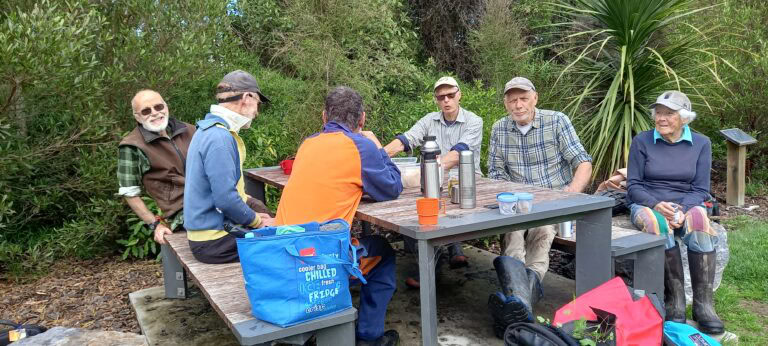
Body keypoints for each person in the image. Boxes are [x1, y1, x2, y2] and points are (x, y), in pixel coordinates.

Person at [275, 86, 402, 346]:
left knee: (362, 245)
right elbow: (392, 187)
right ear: (362, 119)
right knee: (384, 253)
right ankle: (369, 337)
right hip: (318, 262)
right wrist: (378, 146)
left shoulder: (307, 144)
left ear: (324, 117)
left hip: (281, 253)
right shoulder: (361, 146)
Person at [486, 77, 592, 336]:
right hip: (515, 201)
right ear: (505, 103)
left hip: (552, 201)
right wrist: (505, 196)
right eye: (512, 100)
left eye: (523, 98)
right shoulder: (500, 128)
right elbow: (495, 172)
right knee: (511, 232)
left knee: (542, 231)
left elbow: (583, 162)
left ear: (535, 98)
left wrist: (571, 194)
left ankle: (517, 301)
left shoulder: (557, 121)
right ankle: (522, 302)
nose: (518, 105)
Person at [627, 91, 722, 334]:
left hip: (686, 202)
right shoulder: (642, 141)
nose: (661, 118)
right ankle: (675, 301)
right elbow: (634, 185)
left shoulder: (701, 143)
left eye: (669, 113)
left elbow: (701, 188)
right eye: (659, 113)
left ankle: (704, 306)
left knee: (700, 223)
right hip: (648, 202)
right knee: (658, 224)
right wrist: (657, 204)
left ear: (684, 118)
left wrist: (683, 210)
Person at [383, 76, 483, 287]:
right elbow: (407, 139)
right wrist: (379, 155)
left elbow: (459, 153)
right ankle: (444, 255)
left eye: (450, 95)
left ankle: (432, 269)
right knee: (414, 206)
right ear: (436, 100)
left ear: (459, 95)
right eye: (441, 97)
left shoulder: (474, 121)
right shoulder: (429, 120)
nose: (446, 100)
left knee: (435, 203)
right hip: (434, 181)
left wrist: (432, 169)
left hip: (464, 181)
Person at [183, 70, 274, 264]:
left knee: (269, 217)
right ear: (247, 98)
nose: (257, 111)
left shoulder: (208, 129)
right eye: (257, 102)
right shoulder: (220, 138)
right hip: (214, 242)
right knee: (283, 242)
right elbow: (225, 199)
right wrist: (258, 222)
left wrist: (254, 210)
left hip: (208, 235)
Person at [118, 90, 195, 245]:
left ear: (166, 107)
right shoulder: (132, 146)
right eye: (146, 111)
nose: (154, 113)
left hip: (215, 201)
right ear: (137, 117)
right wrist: (155, 224)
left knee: (256, 211)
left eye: (158, 107)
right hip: (183, 214)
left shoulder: (190, 130)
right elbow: (129, 192)